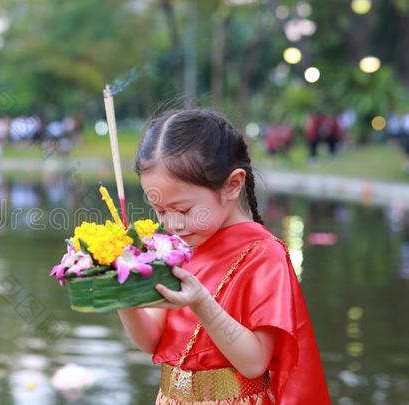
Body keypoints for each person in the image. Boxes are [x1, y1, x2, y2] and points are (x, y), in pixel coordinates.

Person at [118, 109, 331, 404]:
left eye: (183, 210)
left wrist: (201, 302)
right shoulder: (173, 248)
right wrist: (122, 293)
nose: (172, 224)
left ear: (232, 185)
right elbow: (151, 340)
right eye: (161, 211)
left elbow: (254, 362)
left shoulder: (263, 256)